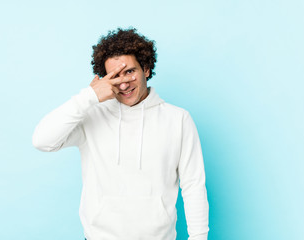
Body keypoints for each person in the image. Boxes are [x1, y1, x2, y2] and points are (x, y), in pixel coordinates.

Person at [32, 27, 209, 240]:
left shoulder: (178, 119)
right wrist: (89, 97)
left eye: (129, 71)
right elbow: (42, 141)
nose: (123, 83)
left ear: (146, 69)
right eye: (114, 76)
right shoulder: (91, 116)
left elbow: (193, 187)